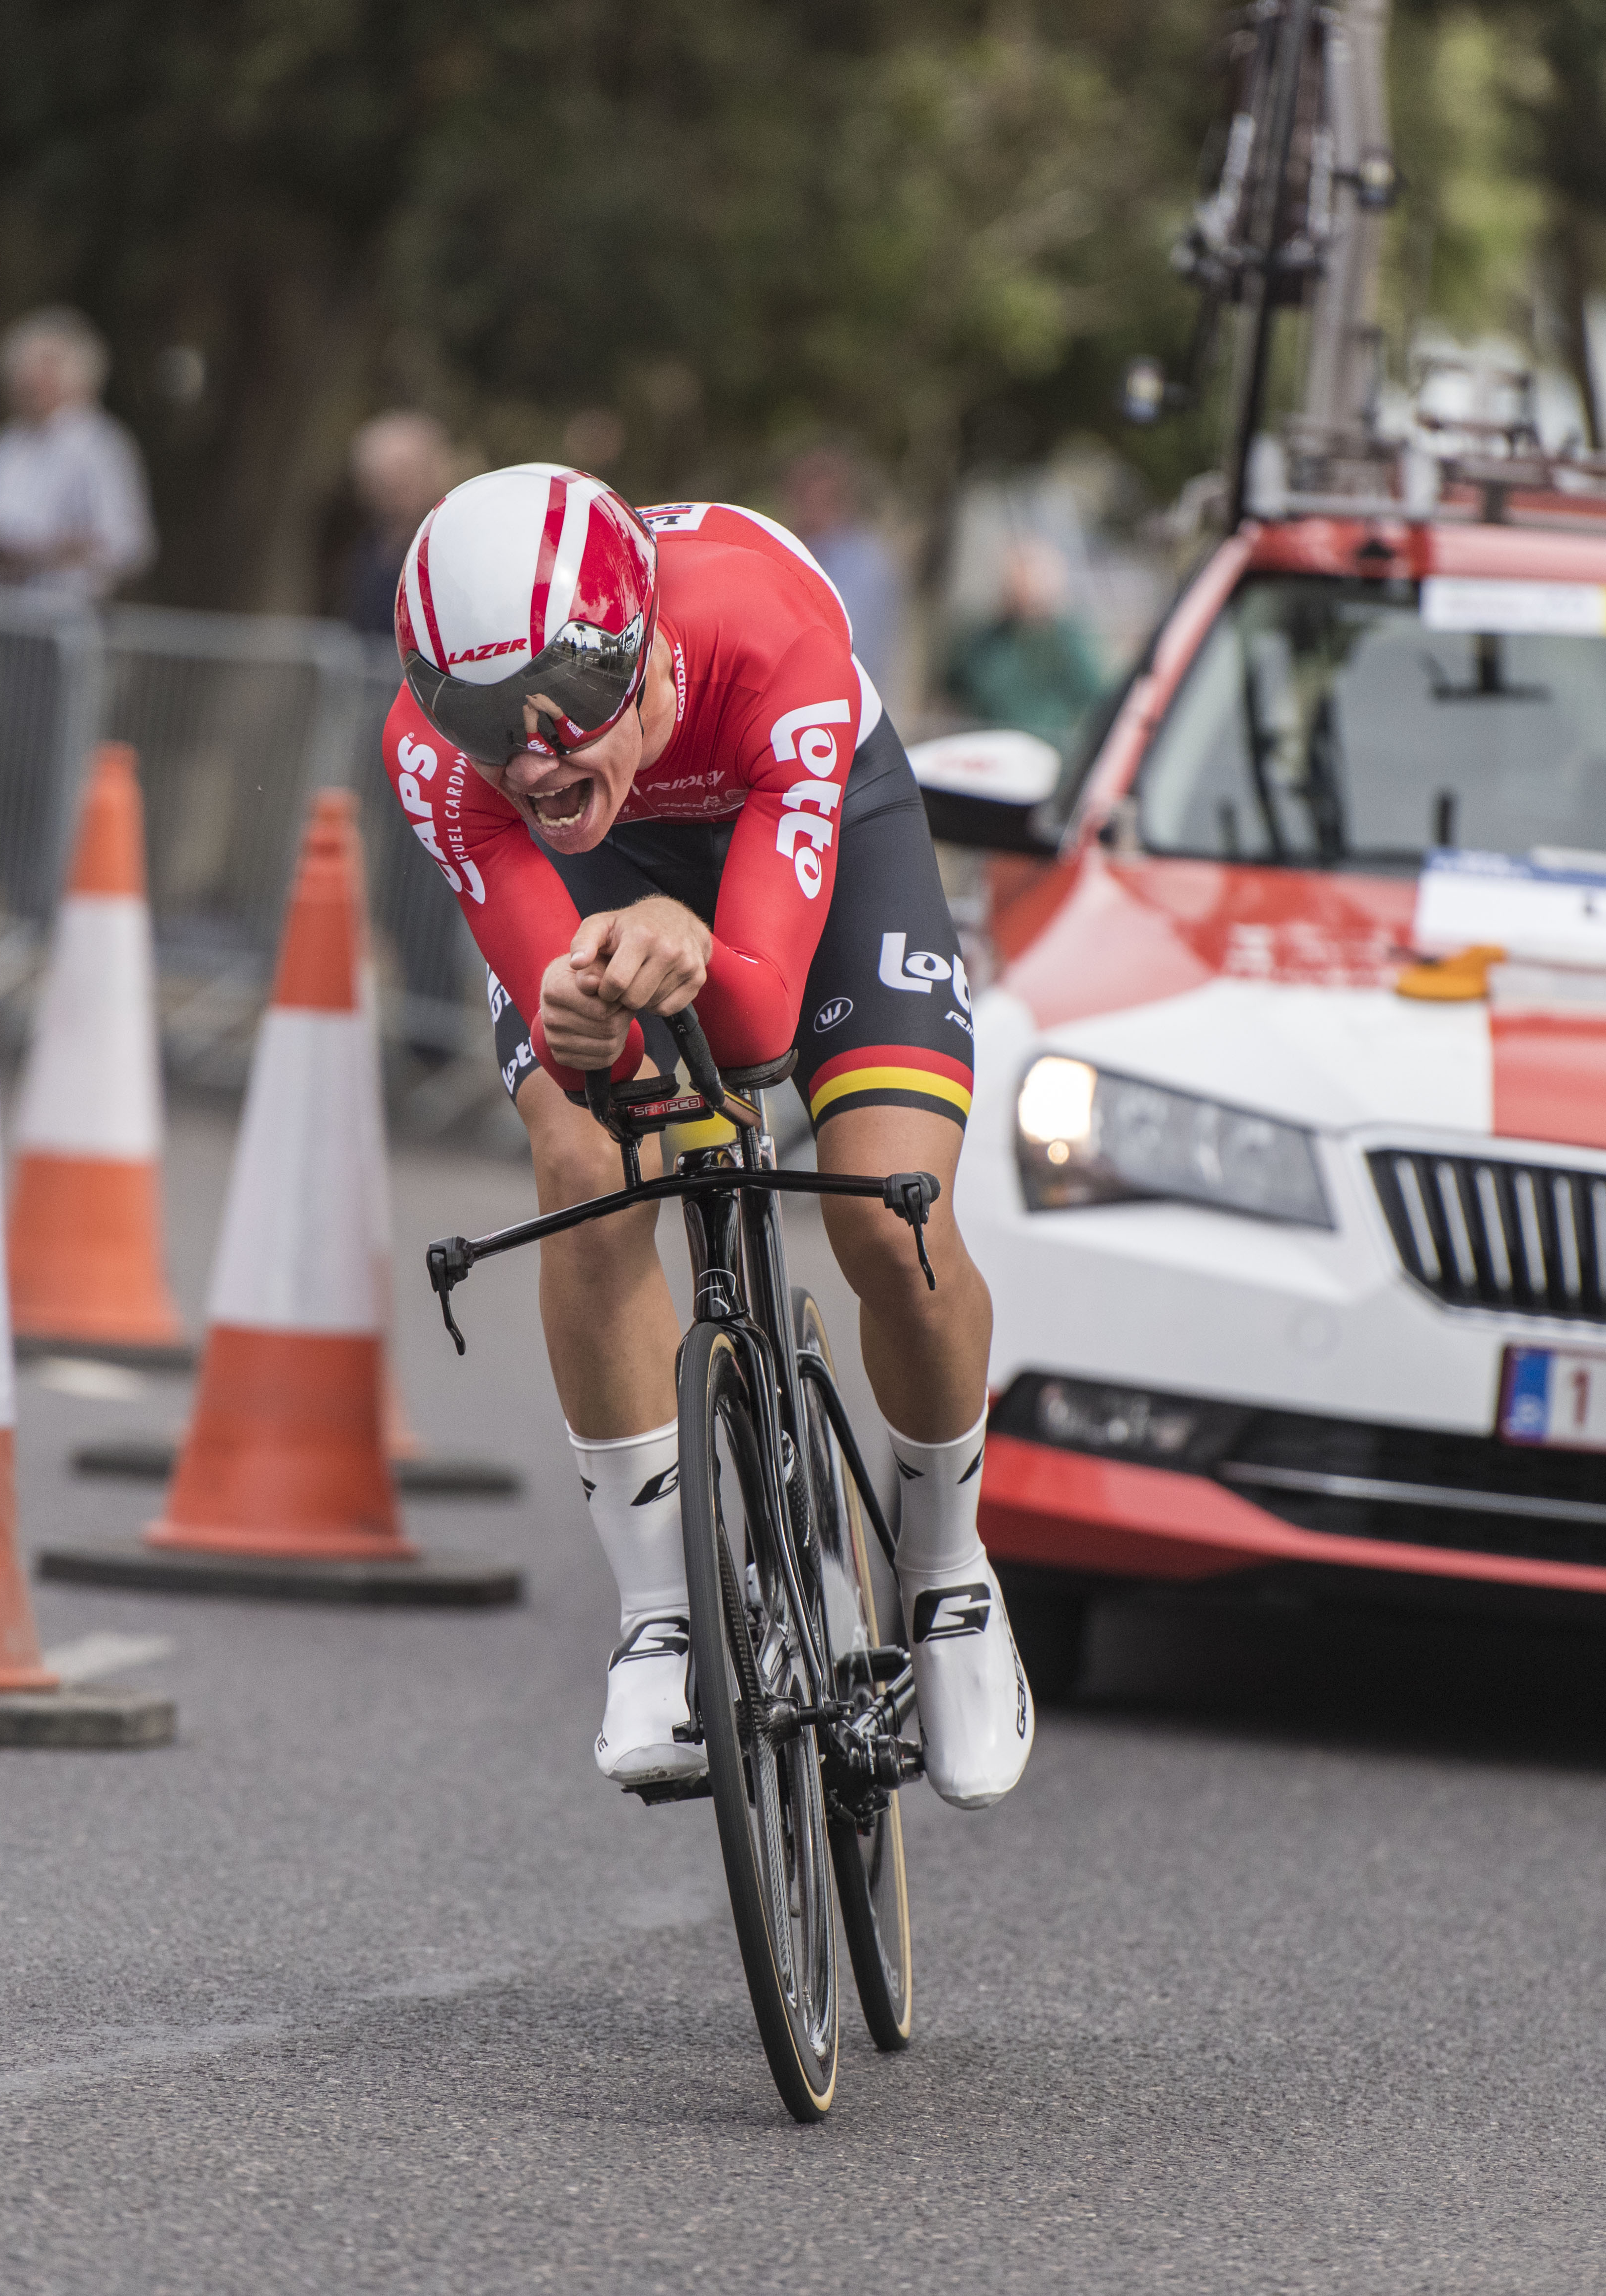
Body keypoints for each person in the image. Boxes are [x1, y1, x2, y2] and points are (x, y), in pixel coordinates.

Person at [381, 464, 1032, 1809]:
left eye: (564, 703)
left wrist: (691, 951)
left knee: (877, 1205)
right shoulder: (439, 756)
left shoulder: (770, 630)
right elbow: (617, 1072)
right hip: (603, 889)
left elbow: (756, 1037)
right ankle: (660, 1613)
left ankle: (952, 1575)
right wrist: (588, 1022)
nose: (536, 753)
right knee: (582, 1163)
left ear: (645, 655)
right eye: (484, 719)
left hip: (814, 832)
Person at [0, 308, 150, 598]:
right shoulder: (5, 445)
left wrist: (43, 555)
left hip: (65, 620)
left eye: (45, 367)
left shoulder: (100, 445)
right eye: (24, 366)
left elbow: (126, 545)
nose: (30, 378)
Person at [940, 534, 1102, 756]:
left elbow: (1098, 696)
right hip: (986, 755)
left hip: (1044, 759)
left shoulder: (1069, 641)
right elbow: (952, 692)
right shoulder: (985, 641)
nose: (1024, 586)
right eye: (1017, 576)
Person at [782, 447, 903, 711]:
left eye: (819, 499)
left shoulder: (868, 562)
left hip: (852, 712)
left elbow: (846, 646)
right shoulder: (787, 553)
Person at [336, 410, 454, 640]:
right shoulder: (369, 553)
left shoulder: (457, 552)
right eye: (379, 478)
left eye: (404, 474)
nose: (391, 489)